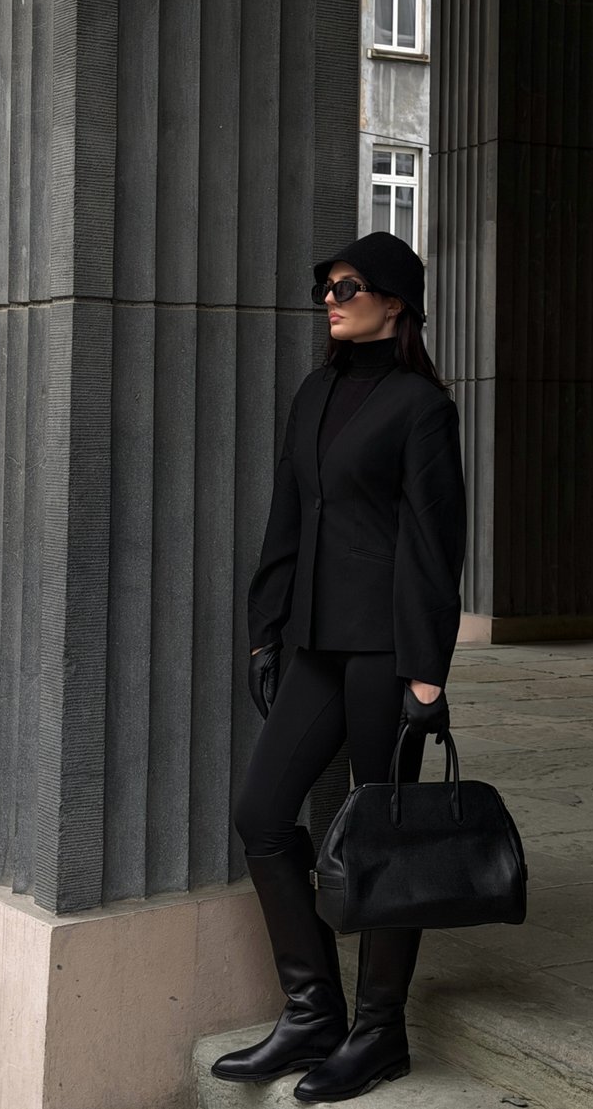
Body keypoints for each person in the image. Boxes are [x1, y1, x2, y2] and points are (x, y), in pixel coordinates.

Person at [211, 231, 467, 1103]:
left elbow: (435, 544)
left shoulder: (422, 407)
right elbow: (286, 515)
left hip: (388, 653)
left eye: (348, 286)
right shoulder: (315, 391)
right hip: (316, 644)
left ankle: (380, 1030)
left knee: (383, 839)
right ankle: (313, 1009)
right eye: (326, 285)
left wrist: (427, 674)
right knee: (262, 813)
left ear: (394, 303)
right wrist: (265, 632)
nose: (330, 297)